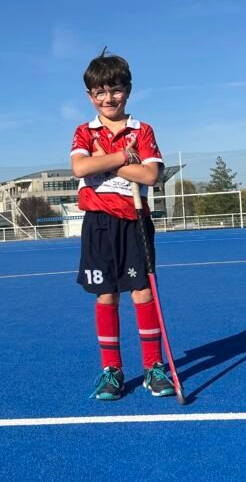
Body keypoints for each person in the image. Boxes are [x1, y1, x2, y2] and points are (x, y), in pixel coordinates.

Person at [70, 48, 175, 400]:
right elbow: (81, 168)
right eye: (99, 92)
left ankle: (153, 367)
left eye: (115, 90)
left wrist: (106, 162)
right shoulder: (85, 132)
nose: (108, 98)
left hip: (134, 221)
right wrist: (123, 157)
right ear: (90, 96)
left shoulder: (141, 130)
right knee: (107, 294)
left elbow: (150, 175)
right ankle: (111, 371)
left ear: (127, 90)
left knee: (142, 292)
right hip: (99, 223)